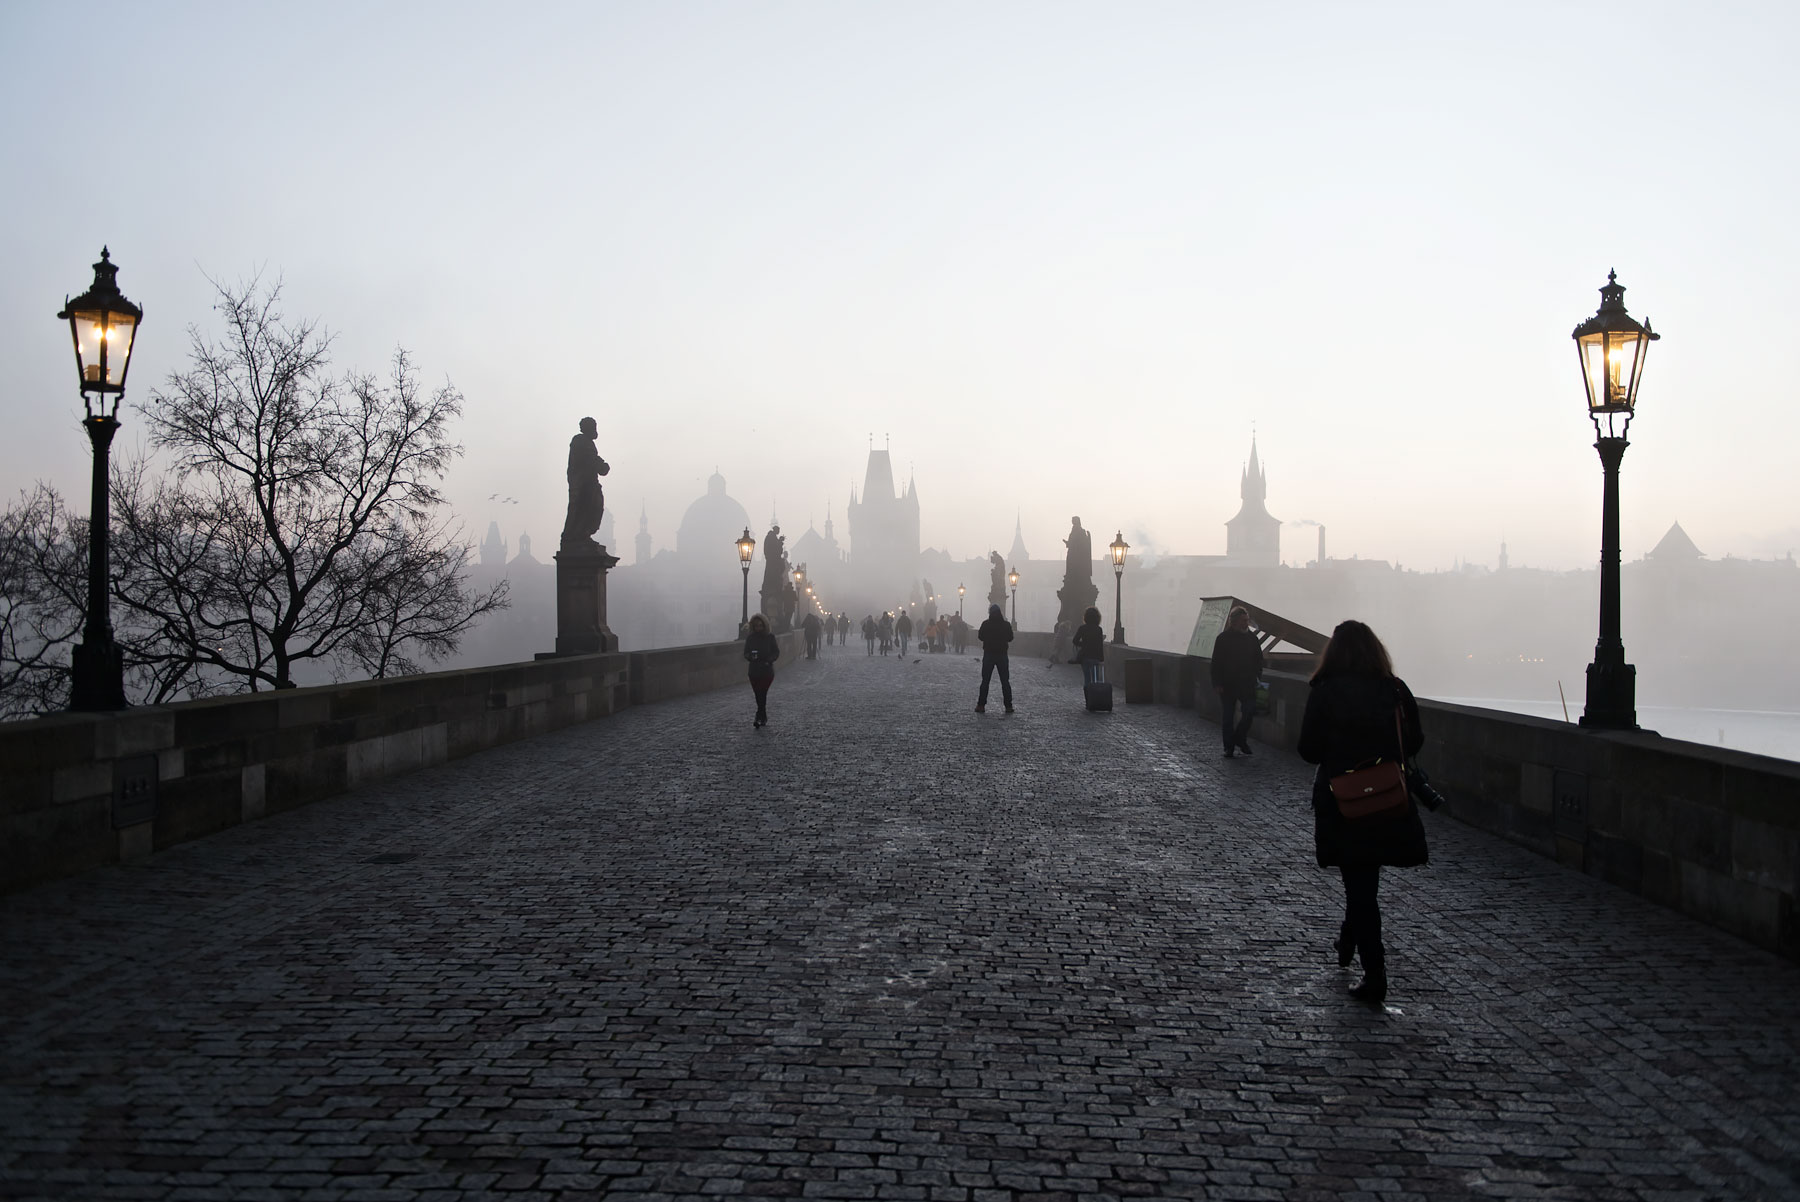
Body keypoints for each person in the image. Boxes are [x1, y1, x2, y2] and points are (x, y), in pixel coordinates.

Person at [1296, 620, 1427, 1005]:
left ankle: (1375, 974)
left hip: (1344, 797)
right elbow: (1414, 741)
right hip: (1387, 795)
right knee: (1365, 879)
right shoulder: (1395, 689)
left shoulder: (1325, 690)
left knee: (1359, 882)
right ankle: (1349, 939)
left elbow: (1308, 749)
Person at [1211, 606, 1266, 757]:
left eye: (1247, 621)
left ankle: (1239, 738)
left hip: (1247, 684)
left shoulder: (1252, 639)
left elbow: (1258, 659)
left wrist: (1257, 676)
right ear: (1234, 622)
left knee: (1249, 712)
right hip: (1227, 685)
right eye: (1243, 621)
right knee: (1228, 717)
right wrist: (1217, 683)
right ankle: (1229, 747)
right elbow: (1216, 663)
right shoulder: (1222, 639)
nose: (1246, 624)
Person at [742, 612, 782, 728]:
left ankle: (758, 717)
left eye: (760, 625)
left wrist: (769, 660)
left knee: (762, 693)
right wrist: (750, 657)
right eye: (756, 626)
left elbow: (776, 652)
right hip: (754, 670)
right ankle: (762, 716)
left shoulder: (770, 637)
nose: (758, 628)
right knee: (758, 694)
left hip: (766, 670)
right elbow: (746, 653)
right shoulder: (750, 638)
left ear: (764, 625)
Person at [975, 603, 1014, 714]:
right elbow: (1010, 638)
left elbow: (980, 636)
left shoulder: (986, 624)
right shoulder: (1006, 625)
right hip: (1002, 654)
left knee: (985, 681)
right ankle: (1008, 706)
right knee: (1005, 681)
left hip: (989, 654)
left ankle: (981, 705)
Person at [1071, 606, 1106, 687]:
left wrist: (1084, 644)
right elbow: (1100, 645)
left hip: (1085, 657)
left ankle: (1088, 697)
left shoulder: (1082, 628)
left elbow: (1075, 641)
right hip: (1095, 657)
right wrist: (1101, 659)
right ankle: (1095, 697)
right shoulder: (1099, 629)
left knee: (1087, 680)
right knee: (1095, 680)